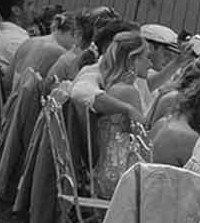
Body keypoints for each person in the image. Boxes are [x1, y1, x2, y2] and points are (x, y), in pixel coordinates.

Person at [68, 28, 149, 196]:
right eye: (146, 58)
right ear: (131, 60)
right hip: (121, 179)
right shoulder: (127, 91)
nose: (151, 63)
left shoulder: (112, 86)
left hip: (103, 172)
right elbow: (145, 139)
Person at [12, 12, 78, 86]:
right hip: (24, 96)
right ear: (73, 33)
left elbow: (8, 79)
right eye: (78, 37)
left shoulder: (29, 41)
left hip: (9, 95)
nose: (76, 44)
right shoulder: (60, 53)